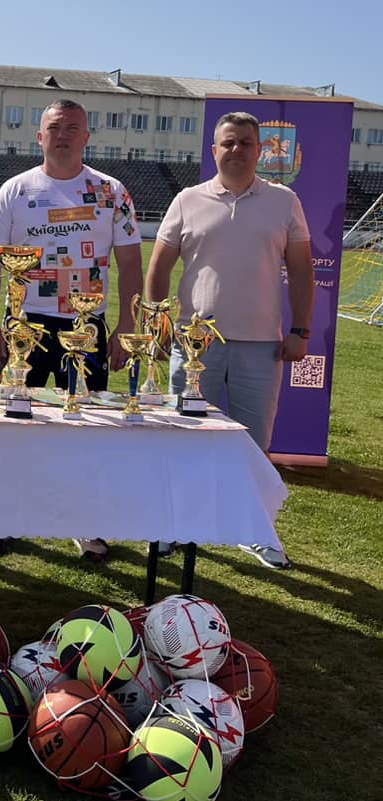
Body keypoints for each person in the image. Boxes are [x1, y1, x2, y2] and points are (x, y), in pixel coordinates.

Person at [146, 111, 313, 570]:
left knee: (252, 447)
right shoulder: (187, 200)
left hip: (261, 346)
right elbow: (159, 268)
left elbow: (302, 270)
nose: (236, 150)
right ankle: (174, 527)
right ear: (214, 150)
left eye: (245, 143)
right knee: (183, 437)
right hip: (194, 345)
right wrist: (159, 327)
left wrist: (300, 330)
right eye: (228, 143)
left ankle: (254, 530)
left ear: (260, 151)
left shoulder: (284, 201)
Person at [0, 99, 143, 560]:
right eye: (55, 127)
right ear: (40, 136)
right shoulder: (15, 190)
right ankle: (0, 519)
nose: (64, 135)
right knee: (13, 423)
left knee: (85, 426)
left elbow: (131, 264)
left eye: (73, 127)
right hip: (24, 324)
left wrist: (126, 325)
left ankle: (84, 521)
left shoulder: (111, 191)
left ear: (87, 137)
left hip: (86, 325)